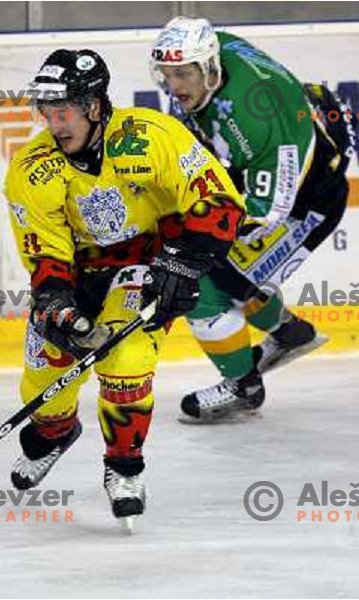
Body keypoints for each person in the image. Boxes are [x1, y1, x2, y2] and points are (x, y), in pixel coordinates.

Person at [3, 47, 245, 523]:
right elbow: (47, 253)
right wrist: (55, 302)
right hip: (79, 273)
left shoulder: (151, 136)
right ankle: (54, 433)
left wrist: (183, 264)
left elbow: (221, 204)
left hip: (148, 264)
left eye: (65, 110)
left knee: (127, 360)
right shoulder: (32, 169)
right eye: (47, 112)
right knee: (46, 375)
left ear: (94, 106)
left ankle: (124, 467)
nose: (55, 124)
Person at [149, 17, 353, 421]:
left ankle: (244, 387)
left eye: (184, 74)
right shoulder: (215, 50)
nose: (175, 86)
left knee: (202, 278)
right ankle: (289, 333)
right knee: (228, 274)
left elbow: (269, 210)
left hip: (305, 206)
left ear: (208, 68)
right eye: (169, 74)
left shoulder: (256, 120)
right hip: (278, 169)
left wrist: (198, 243)